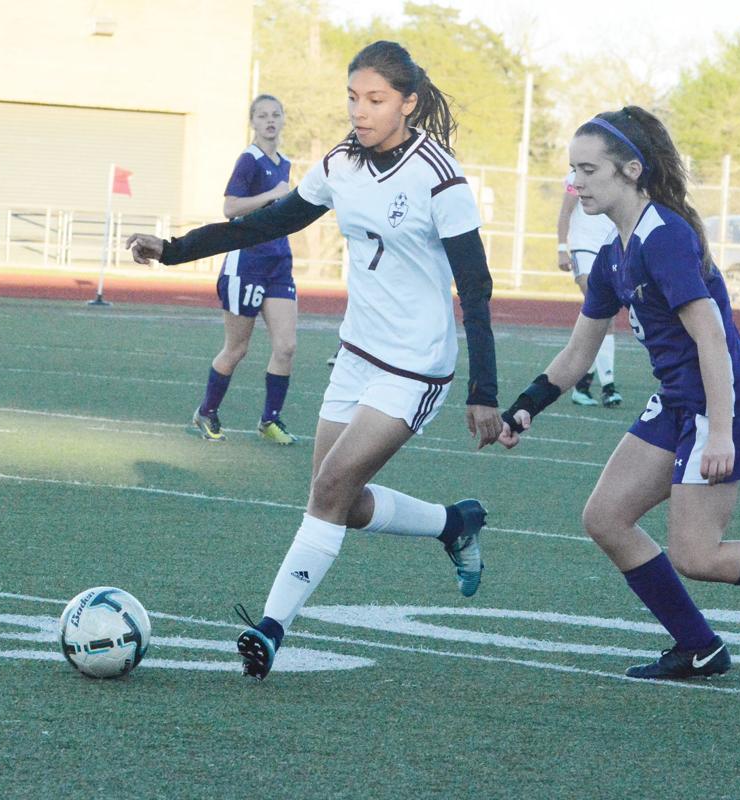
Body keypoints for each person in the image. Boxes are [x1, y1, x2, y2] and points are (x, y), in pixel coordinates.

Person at [129, 41, 503, 681]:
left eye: (376, 99)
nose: (361, 111)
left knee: (330, 489)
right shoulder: (339, 164)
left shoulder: (440, 177)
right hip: (358, 352)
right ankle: (453, 523)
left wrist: (485, 389)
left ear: (408, 103)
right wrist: (173, 249)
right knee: (338, 499)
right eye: (353, 98)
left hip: (416, 363)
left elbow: (476, 285)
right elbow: (263, 225)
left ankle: (271, 629)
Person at [494, 107, 740, 679]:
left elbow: (713, 339)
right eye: (572, 171)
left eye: (588, 170)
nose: (575, 184)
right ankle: (699, 646)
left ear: (631, 169)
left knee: (698, 555)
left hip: (719, 403)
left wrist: (719, 430)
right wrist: (528, 404)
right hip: (678, 401)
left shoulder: (665, 236)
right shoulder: (613, 252)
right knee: (606, 517)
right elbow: (579, 353)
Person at [192, 94, 299, 445]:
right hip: (247, 262)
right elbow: (230, 207)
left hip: (278, 262)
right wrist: (273, 195)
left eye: (275, 114)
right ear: (252, 122)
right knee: (237, 349)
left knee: (286, 346)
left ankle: (270, 419)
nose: (270, 120)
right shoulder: (249, 161)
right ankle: (206, 411)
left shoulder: (284, 163)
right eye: (262, 115)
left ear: (284, 120)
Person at [558, 170, 622, 407]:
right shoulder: (576, 177)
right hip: (583, 249)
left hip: (608, 250)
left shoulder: (618, 173)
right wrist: (561, 247)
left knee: (603, 317)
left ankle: (583, 384)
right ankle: (609, 387)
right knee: (603, 312)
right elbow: (565, 212)